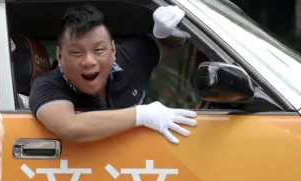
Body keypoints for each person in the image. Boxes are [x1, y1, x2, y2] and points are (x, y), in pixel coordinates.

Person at [28, 4, 198, 144]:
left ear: (113, 50)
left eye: (99, 50)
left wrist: (165, 31)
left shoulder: (130, 57)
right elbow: (70, 127)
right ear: (59, 56)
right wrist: (143, 115)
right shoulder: (46, 85)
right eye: (76, 53)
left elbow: (168, 44)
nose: (89, 61)